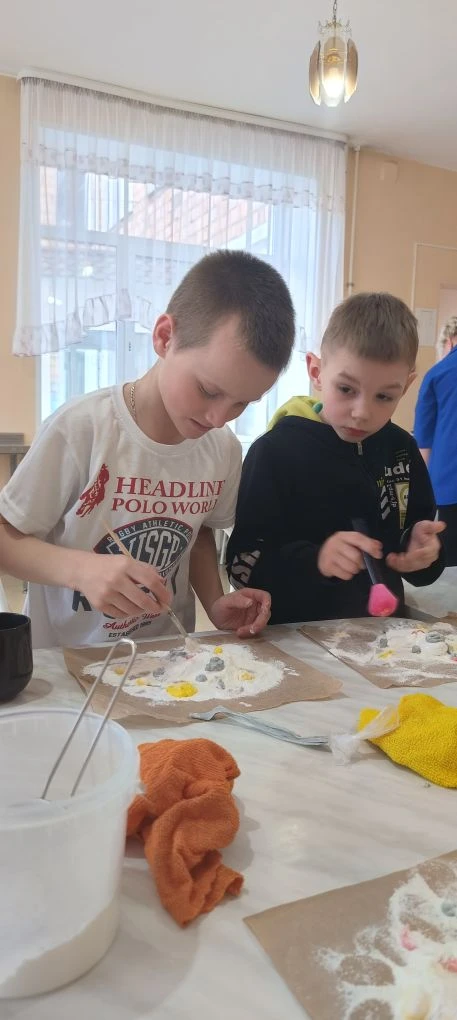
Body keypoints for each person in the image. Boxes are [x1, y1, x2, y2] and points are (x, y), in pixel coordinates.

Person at [0, 250, 295, 648]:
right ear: (164, 337)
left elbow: (200, 532)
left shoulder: (222, 448)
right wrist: (81, 570)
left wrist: (214, 601)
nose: (219, 418)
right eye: (208, 390)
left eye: (242, 403)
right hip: (67, 661)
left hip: (165, 659)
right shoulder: (81, 429)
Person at [227, 292, 445, 624]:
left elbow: (420, 556)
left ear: (405, 387)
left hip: (383, 637)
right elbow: (242, 567)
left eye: (384, 396)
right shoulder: (275, 452)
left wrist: (420, 551)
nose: (362, 412)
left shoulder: (402, 450)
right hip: (294, 638)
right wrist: (316, 561)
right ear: (316, 371)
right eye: (346, 389)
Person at [414, 315, 457, 565]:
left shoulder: (438, 374)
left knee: (447, 561)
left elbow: (423, 441)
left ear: (449, 340)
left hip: (448, 482)